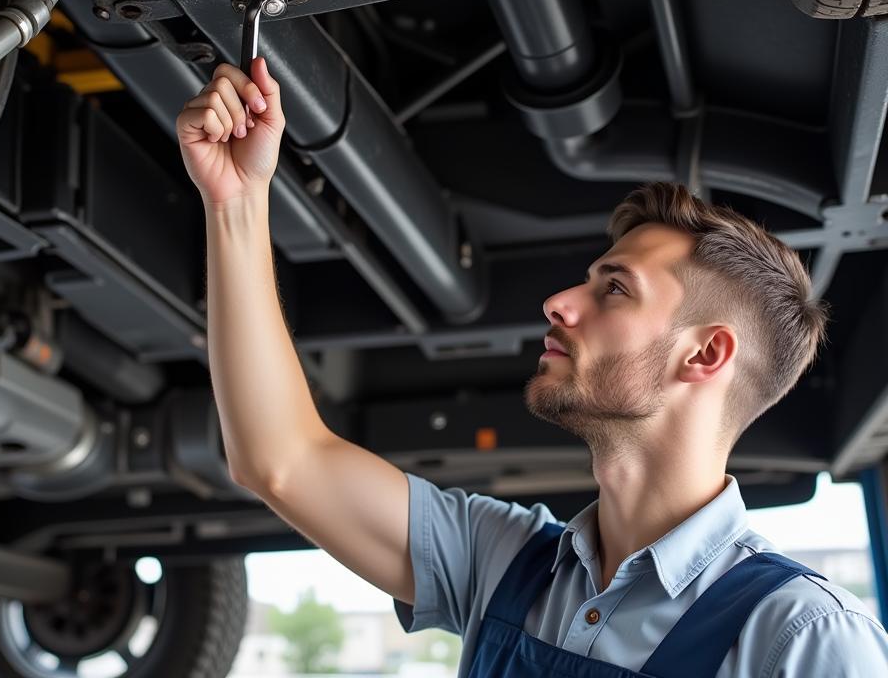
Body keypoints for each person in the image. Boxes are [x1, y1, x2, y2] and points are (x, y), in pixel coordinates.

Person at [177, 57, 888, 677]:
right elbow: (282, 459)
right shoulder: (506, 563)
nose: (556, 303)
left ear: (704, 355)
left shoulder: (802, 639)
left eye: (615, 288)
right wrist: (236, 202)